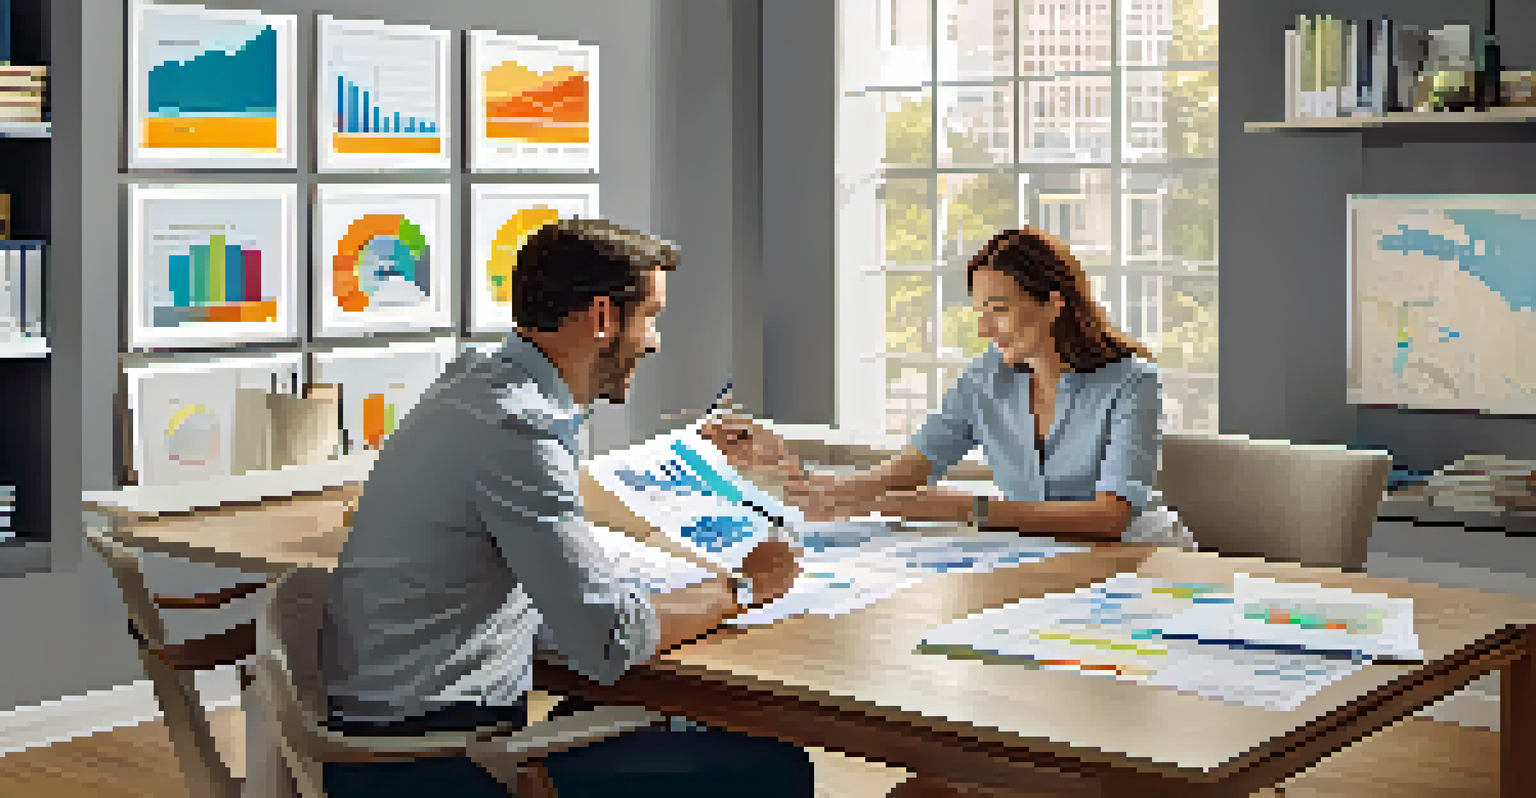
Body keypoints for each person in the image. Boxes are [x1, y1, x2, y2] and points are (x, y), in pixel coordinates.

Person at [319, 218, 814, 798]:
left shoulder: (476, 384)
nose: (653, 341)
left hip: (396, 734)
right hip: (434, 765)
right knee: (774, 768)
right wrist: (747, 587)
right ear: (604, 317)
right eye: (650, 316)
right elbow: (608, 641)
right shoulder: (519, 430)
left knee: (669, 717)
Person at [706, 225, 1164, 541]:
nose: (985, 330)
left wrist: (969, 509)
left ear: (1053, 304)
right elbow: (911, 470)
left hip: (1141, 558)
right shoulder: (986, 378)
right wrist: (814, 488)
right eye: (980, 313)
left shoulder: (1131, 381)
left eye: (999, 310)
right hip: (1043, 555)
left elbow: (1110, 517)